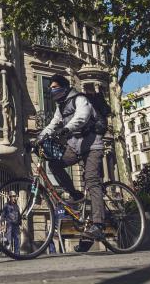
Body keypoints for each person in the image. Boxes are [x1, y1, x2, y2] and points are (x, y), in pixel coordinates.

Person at [38, 74, 106, 247]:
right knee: (55, 164)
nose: (52, 90)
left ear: (64, 87)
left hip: (92, 145)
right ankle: (75, 195)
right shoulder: (60, 107)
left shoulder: (79, 99)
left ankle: (98, 225)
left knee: (91, 180)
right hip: (75, 147)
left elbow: (82, 117)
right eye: (50, 88)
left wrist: (66, 129)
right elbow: (52, 124)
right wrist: (38, 139)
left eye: (54, 87)